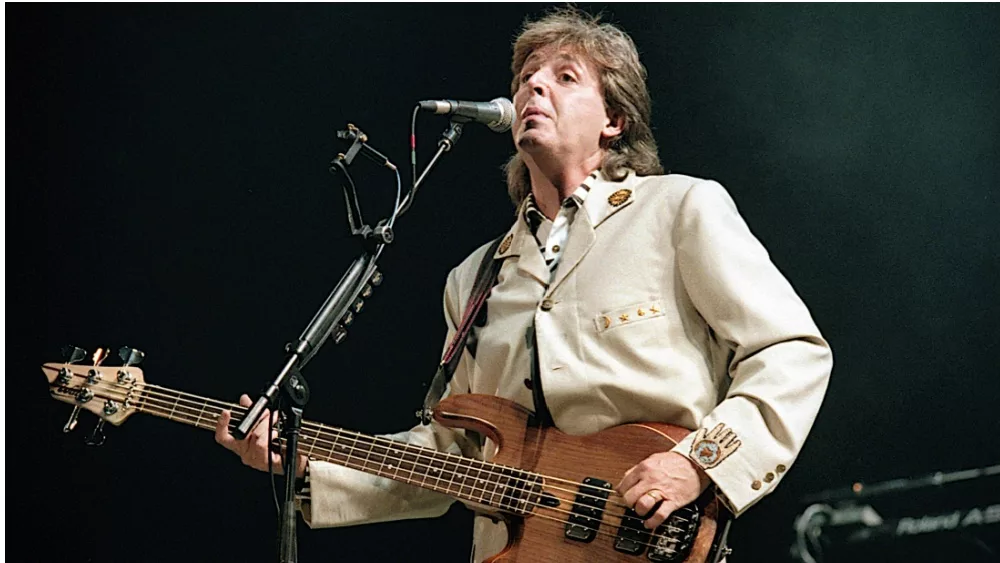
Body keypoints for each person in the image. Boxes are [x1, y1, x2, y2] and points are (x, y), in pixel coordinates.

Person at [215, 7, 832, 562]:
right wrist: (301, 464)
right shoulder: (474, 277)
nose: (532, 85)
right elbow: (452, 452)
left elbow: (789, 352)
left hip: (654, 538)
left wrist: (700, 465)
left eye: (566, 77)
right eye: (525, 77)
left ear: (614, 120)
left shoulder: (679, 210)